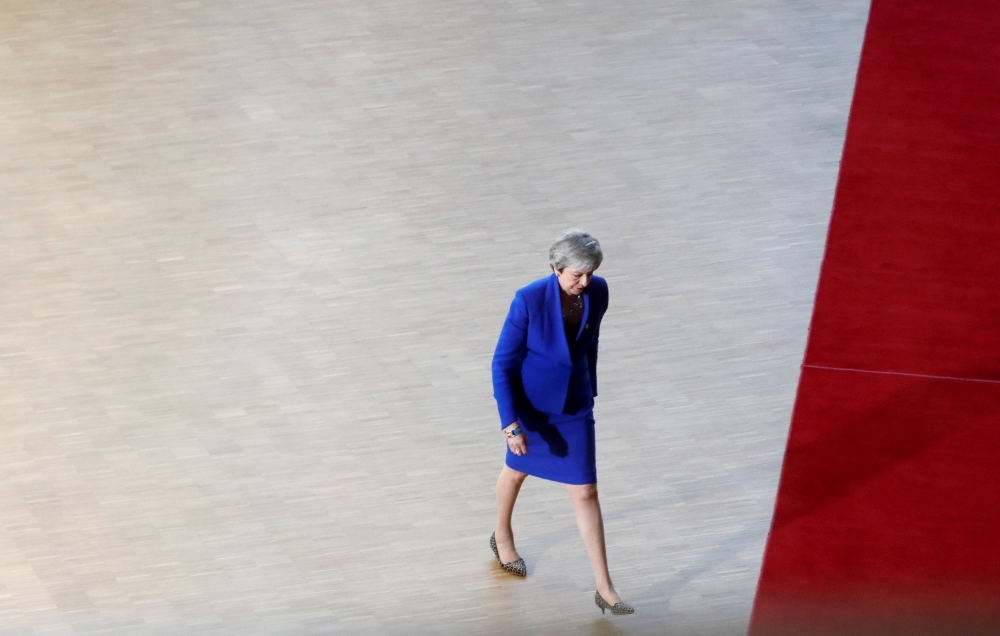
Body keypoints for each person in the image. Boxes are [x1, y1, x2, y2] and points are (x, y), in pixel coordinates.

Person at [489, 229, 634, 616]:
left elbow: (591, 342)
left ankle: (605, 588)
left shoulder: (598, 291)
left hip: (574, 405)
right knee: (517, 470)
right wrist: (510, 423)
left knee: (586, 491)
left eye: (590, 274)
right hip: (531, 408)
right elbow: (502, 364)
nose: (584, 283)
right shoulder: (528, 299)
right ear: (555, 268)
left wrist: (592, 388)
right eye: (576, 275)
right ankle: (502, 536)